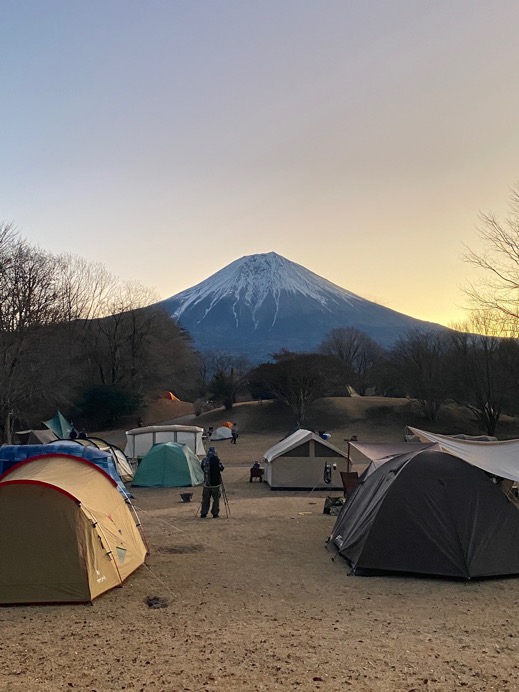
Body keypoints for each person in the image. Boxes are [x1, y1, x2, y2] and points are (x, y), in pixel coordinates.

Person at [200, 447, 225, 518]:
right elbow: (222, 468)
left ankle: (203, 513)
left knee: (205, 499)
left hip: (206, 483)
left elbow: (202, 467)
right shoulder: (217, 459)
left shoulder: (204, 460)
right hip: (215, 483)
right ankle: (215, 513)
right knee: (216, 499)